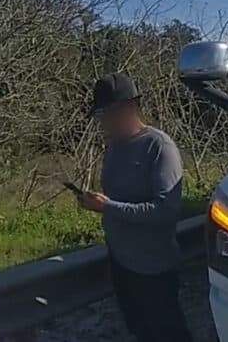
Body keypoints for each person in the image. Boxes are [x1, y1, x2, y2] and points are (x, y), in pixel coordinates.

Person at [79, 72, 193, 342]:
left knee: (168, 334)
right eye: (99, 116)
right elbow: (116, 196)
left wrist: (108, 207)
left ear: (128, 108)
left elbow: (166, 212)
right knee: (140, 331)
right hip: (121, 262)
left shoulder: (158, 147)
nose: (103, 123)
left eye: (106, 114)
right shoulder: (114, 147)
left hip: (153, 268)